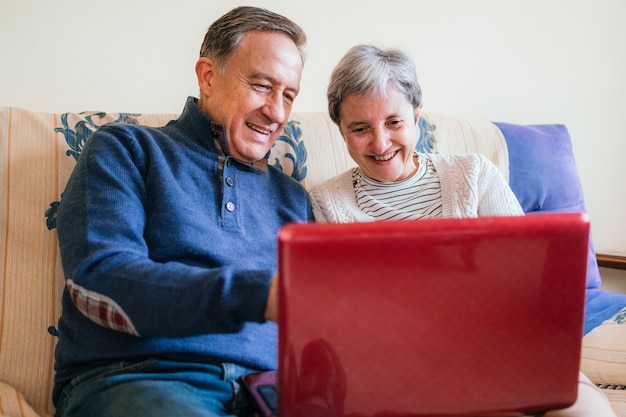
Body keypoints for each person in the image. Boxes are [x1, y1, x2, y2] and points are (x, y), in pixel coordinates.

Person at [309, 44, 617, 417]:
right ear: (341, 131)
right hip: (407, 370)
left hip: (509, 345)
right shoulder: (325, 203)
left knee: (585, 413)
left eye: (394, 122)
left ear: (417, 116)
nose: (380, 143)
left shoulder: (473, 174)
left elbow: (532, 280)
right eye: (360, 128)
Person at [52, 6, 312, 417]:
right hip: (141, 377)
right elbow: (100, 280)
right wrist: (260, 295)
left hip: (272, 395)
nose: (277, 112)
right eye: (262, 86)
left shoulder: (294, 199)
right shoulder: (126, 149)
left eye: (289, 96)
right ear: (208, 76)